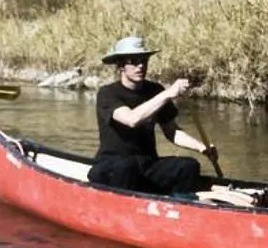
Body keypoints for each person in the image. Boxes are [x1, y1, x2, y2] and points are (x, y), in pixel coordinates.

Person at [87, 35, 216, 196]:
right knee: (127, 167)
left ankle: (180, 206)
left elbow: (172, 132)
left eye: (143, 60)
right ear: (121, 65)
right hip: (111, 166)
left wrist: (202, 148)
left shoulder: (155, 91)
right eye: (133, 62)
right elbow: (132, 119)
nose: (140, 66)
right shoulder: (107, 93)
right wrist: (168, 94)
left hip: (146, 165)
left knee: (188, 166)